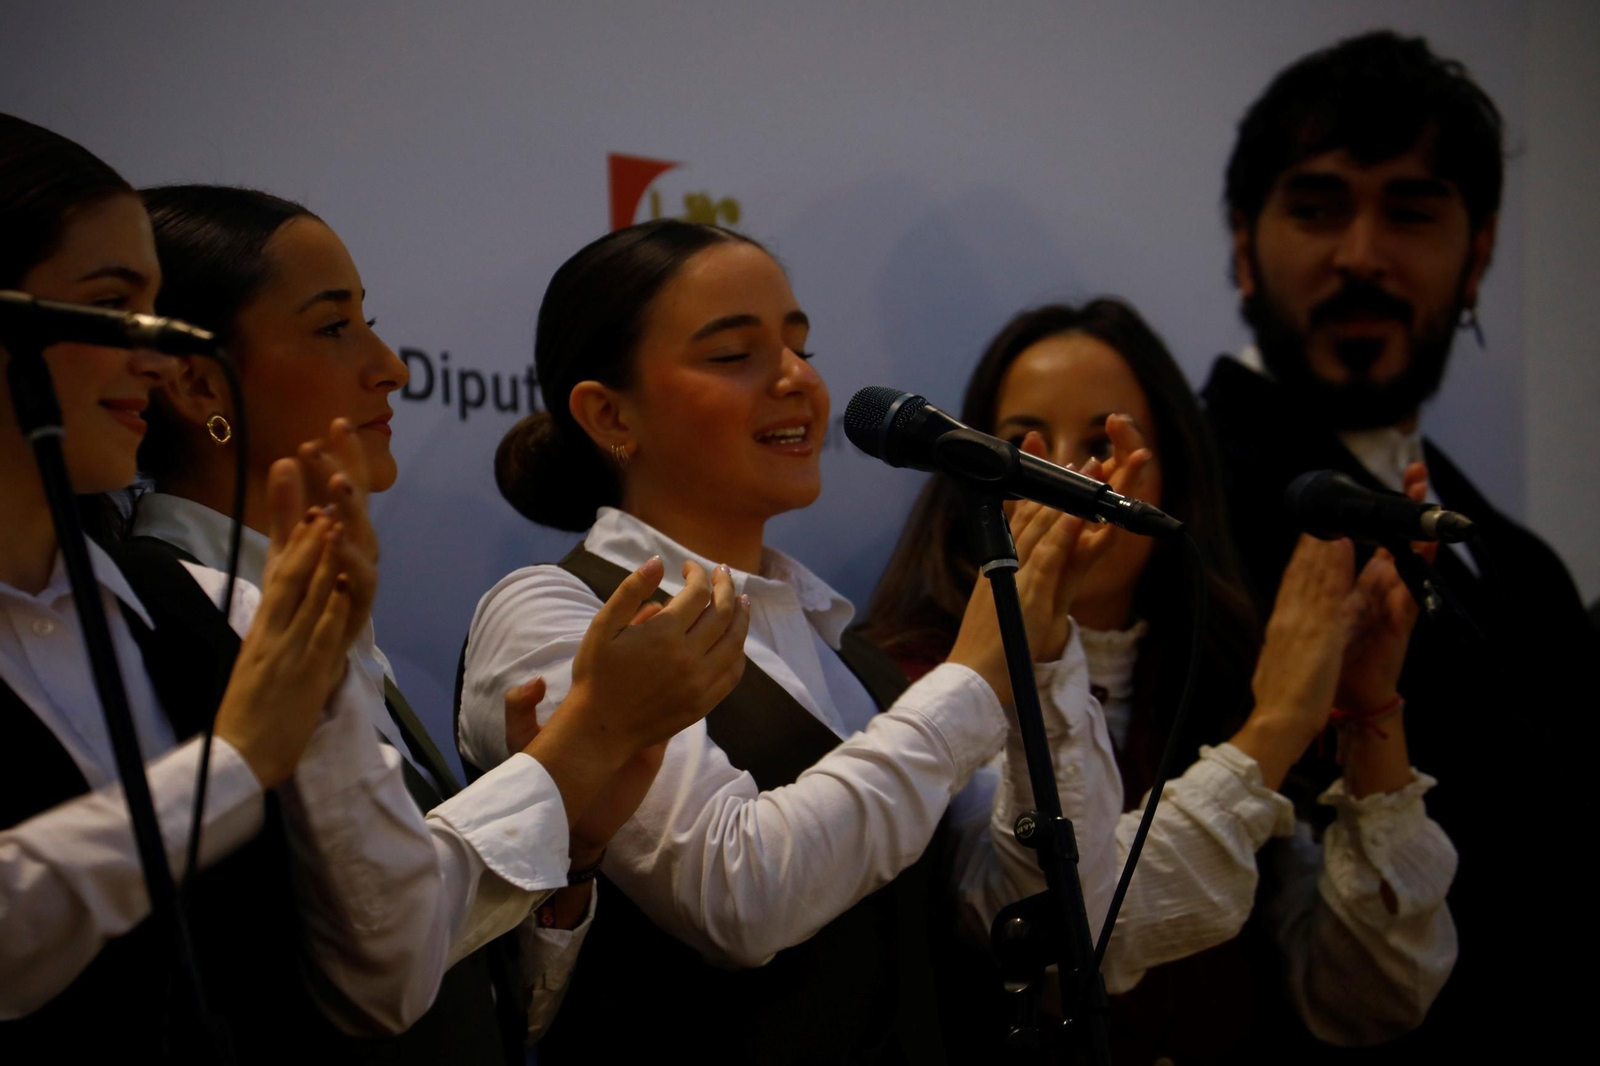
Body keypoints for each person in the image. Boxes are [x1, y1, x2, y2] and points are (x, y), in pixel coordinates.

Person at [457, 219, 1139, 1062]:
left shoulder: (846, 653)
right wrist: (972, 674)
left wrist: (1040, 647)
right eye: (733, 355)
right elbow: (734, 898)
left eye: (801, 348)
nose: (796, 381)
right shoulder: (555, 615)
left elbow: (1046, 911)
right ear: (608, 413)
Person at [129, 184, 751, 1059]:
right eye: (332, 326)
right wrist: (580, 745)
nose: (391, 365)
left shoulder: (303, 615)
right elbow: (364, 974)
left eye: (368, 321)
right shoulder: (164, 616)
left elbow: (464, 997)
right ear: (199, 384)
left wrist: (570, 851)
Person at [859, 299, 1458, 1062]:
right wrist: (1272, 730)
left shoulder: (1217, 671)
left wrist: (1368, 704)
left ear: (1170, 479)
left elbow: (1376, 998)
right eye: (1021, 445)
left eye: (1103, 440)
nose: (1066, 476)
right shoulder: (916, 678)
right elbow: (1072, 948)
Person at [0, 112, 441, 1062]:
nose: (155, 362)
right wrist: (242, 758)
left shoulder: (219, 615)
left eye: (157, 313)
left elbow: (395, 976)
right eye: (113, 306)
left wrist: (318, 715)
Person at [1201, 31, 1596, 1056]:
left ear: (1480, 254)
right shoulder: (1181, 514)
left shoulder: (1521, 565)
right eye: (1318, 208)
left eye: (1412, 213)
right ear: (1244, 241)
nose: (1362, 255)